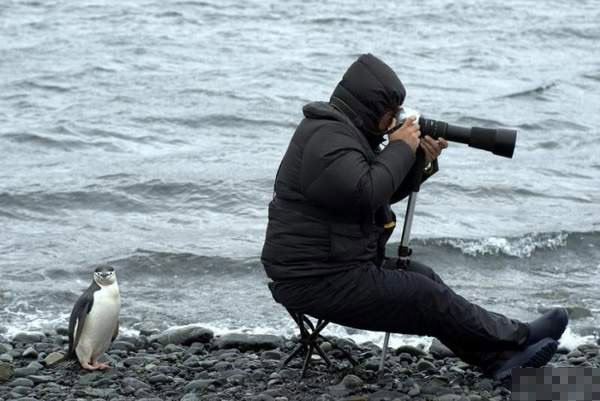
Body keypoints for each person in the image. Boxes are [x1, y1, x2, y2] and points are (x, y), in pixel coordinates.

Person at [260, 53, 568, 380]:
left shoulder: (341, 134)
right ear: (368, 107)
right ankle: (520, 336)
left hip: (335, 266)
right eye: (389, 114)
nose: (393, 122)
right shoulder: (327, 139)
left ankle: (498, 360)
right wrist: (401, 149)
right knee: (424, 295)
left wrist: (420, 160)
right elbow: (367, 193)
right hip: (314, 278)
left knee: (425, 279)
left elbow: (373, 195)